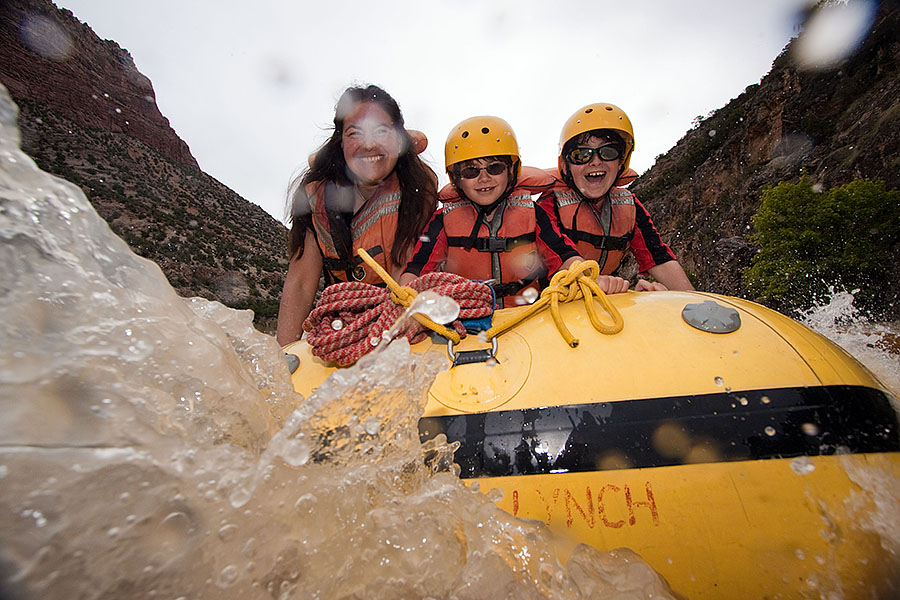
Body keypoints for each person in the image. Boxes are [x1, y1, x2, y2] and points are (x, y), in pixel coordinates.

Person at [400, 116, 629, 308]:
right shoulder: (443, 221)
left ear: (511, 171)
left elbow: (565, 257)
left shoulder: (533, 214)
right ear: (457, 179)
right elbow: (416, 270)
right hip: (467, 323)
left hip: (525, 319)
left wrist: (591, 280)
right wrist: (404, 297)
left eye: (495, 167)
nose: (484, 178)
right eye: (471, 171)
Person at [276, 84, 438, 346]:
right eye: (354, 133)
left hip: (400, 318)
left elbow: (407, 269)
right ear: (340, 143)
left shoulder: (418, 185)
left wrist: (380, 340)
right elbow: (301, 284)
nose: (369, 144)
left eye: (381, 131)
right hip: (340, 325)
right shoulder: (315, 196)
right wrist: (284, 356)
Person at [538, 103, 694, 292]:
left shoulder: (630, 206)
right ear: (566, 166)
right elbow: (558, 253)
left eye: (608, 152)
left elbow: (659, 258)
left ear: (621, 162)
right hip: (556, 297)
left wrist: (691, 300)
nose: (596, 161)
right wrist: (591, 281)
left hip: (603, 295)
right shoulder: (550, 204)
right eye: (581, 154)